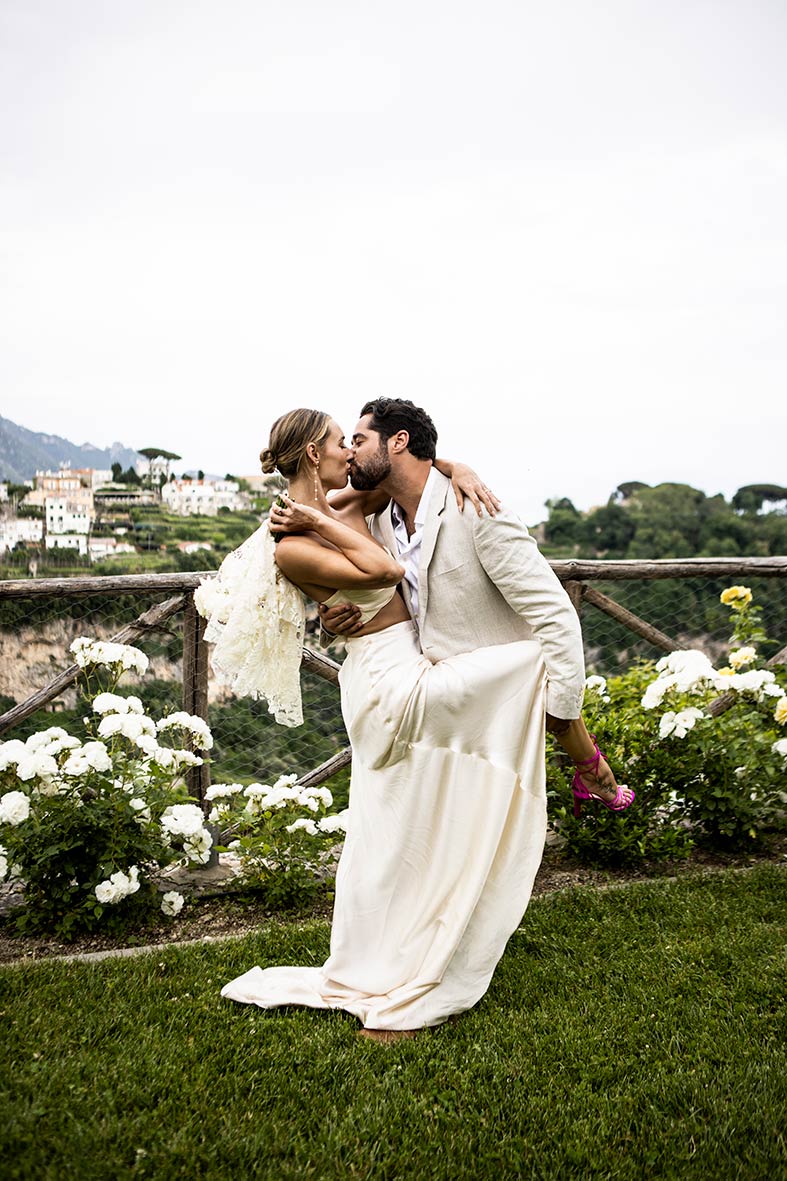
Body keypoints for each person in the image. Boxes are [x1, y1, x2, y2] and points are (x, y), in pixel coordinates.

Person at [214, 405, 633, 1041]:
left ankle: (414, 938)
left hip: (408, 666)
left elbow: (407, 493)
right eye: (340, 442)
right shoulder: (307, 529)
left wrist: (452, 466)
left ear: (398, 443)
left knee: (398, 831)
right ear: (311, 456)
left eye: (357, 439)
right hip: (389, 683)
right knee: (525, 665)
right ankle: (585, 761)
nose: (349, 451)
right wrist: (330, 594)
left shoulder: (378, 502)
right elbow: (377, 572)